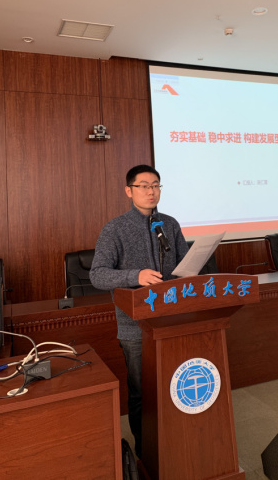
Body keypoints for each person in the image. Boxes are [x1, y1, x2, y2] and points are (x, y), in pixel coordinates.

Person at [90, 164, 188, 459]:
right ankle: (146, 452)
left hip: (173, 320)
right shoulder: (115, 229)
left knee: (176, 386)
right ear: (129, 191)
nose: (151, 191)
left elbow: (184, 267)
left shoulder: (169, 225)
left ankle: (175, 443)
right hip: (135, 327)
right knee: (142, 393)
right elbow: (97, 275)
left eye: (155, 185)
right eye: (143, 186)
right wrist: (136, 275)